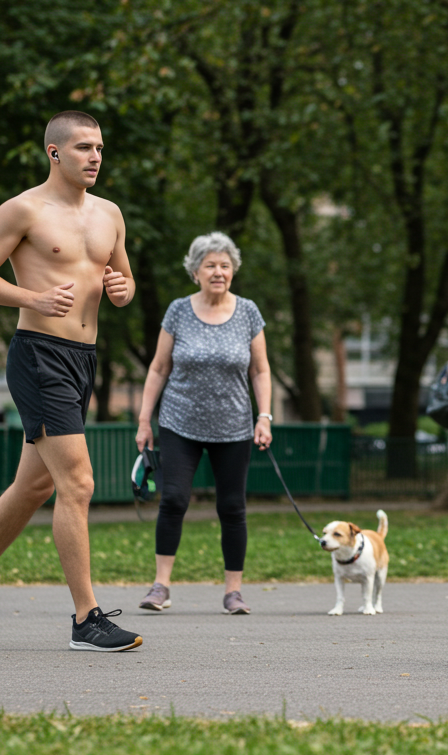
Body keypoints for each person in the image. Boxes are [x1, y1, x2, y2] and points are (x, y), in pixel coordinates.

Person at [0, 111, 142, 652]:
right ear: (55, 153)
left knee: (35, 485)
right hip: (39, 356)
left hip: (85, 358)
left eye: (99, 147)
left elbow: (120, 281)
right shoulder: (23, 209)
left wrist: (122, 290)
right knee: (78, 483)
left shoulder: (110, 215)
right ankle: (86, 620)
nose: (95, 156)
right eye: (83, 147)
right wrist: (31, 297)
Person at [134, 232, 272, 615]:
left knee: (232, 506)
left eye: (225, 265)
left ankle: (233, 591)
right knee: (174, 499)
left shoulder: (247, 312)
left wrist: (265, 416)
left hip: (234, 426)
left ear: (234, 271)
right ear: (195, 271)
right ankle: (160, 586)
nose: (218, 272)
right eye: (210, 265)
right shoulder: (179, 310)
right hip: (180, 422)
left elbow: (261, 371)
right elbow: (159, 367)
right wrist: (145, 420)